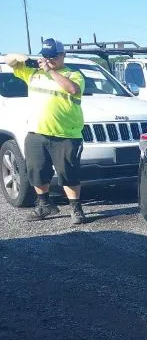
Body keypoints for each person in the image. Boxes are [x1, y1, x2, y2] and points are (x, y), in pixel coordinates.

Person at [2, 38, 87, 223]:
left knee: (68, 173)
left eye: (53, 56)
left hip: (65, 134)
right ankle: (44, 205)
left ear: (63, 55)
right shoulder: (32, 73)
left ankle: (76, 208)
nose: (49, 60)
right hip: (37, 132)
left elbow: (72, 89)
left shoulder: (73, 75)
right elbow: (7, 60)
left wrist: (51, 71)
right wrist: (21, 57)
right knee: (36, 171)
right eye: (46, 56)